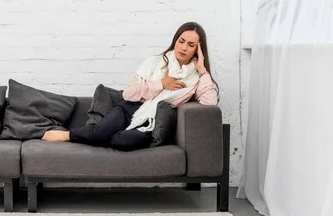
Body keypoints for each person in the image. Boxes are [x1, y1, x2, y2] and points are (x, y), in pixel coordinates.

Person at [42, 22, 219, 151]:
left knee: (122, 141)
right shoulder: (155, 62)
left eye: (191, 45)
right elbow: (128, 93)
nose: (184, 47)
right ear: (175, 40)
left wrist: (203, 71)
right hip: (129, 108)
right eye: (181, 41)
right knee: (100, 131)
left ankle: (98, 136)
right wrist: (161, 84)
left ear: (198, 49)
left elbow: (210, 103)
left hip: (150, 122)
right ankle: (68, 135)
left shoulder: (196, 77)